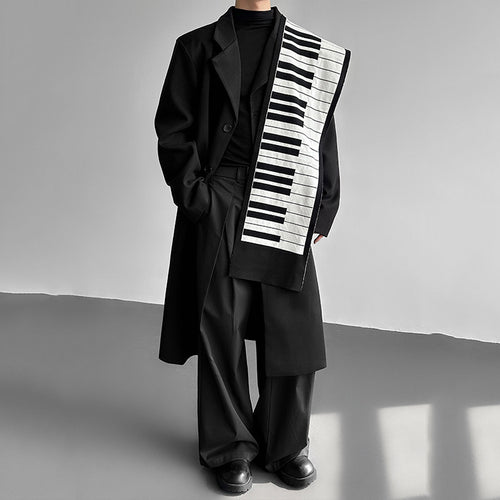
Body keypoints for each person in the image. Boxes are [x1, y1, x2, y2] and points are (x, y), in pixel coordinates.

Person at [154, 0, 350, 494]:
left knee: (292, 324)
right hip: (221, 194)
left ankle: (287, 444)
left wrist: (324, 204)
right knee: (220, 322)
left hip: (287, 194)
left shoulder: (311, 52)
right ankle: (230, 447)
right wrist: (198, 197)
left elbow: (320, 133)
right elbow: (173, 128)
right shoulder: (195, 46)